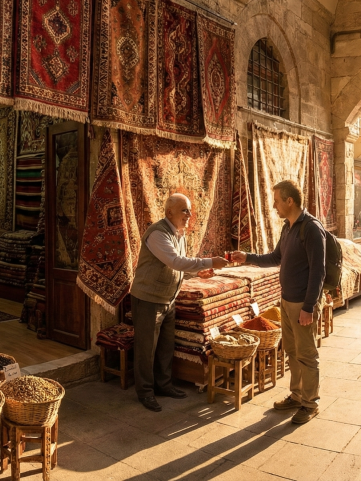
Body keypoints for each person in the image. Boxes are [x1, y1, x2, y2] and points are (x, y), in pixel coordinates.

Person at [230, 180, 325, 425]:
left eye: (277, 201)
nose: (274, 206)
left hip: (302, 304)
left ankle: (310, 403)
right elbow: (275, 257)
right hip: (286, 301)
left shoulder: (312, 228)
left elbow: (318, 272)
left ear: (289, 201)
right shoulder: (288, 227)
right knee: (292, 352)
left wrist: (308, 307)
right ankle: (296, 395)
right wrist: (247, 257)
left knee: (307, 354)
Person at [131, 193, 228, 412]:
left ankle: (164, 385)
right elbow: (175, 261)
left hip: (168, 298)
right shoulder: (158, 233)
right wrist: (211, 261)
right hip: (148, 299)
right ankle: (145, 393)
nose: (189, 215)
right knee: (147, 349)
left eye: (189, 210)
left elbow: (177, 267)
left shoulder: (179, 234)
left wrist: (197, 274)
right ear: (169, 212)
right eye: (184, 210)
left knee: (165, 347)